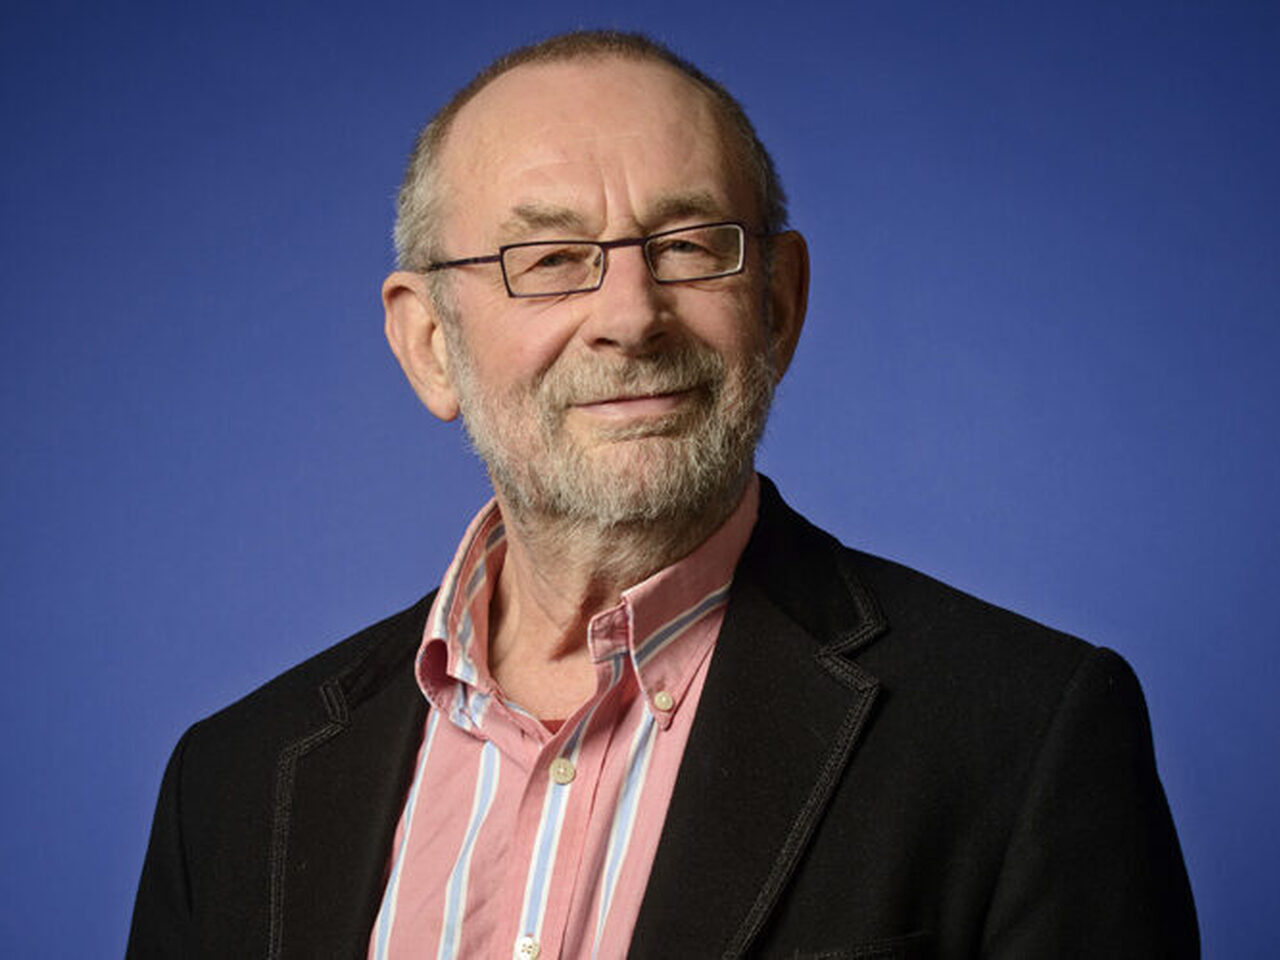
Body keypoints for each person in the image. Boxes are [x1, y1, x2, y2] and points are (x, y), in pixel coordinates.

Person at [127, 30, 1198, 960]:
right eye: (549, 259)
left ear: (778, 304)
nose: (630, 316)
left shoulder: (1025, 734)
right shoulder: (231, 782)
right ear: (428, 345)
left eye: (686, 246)